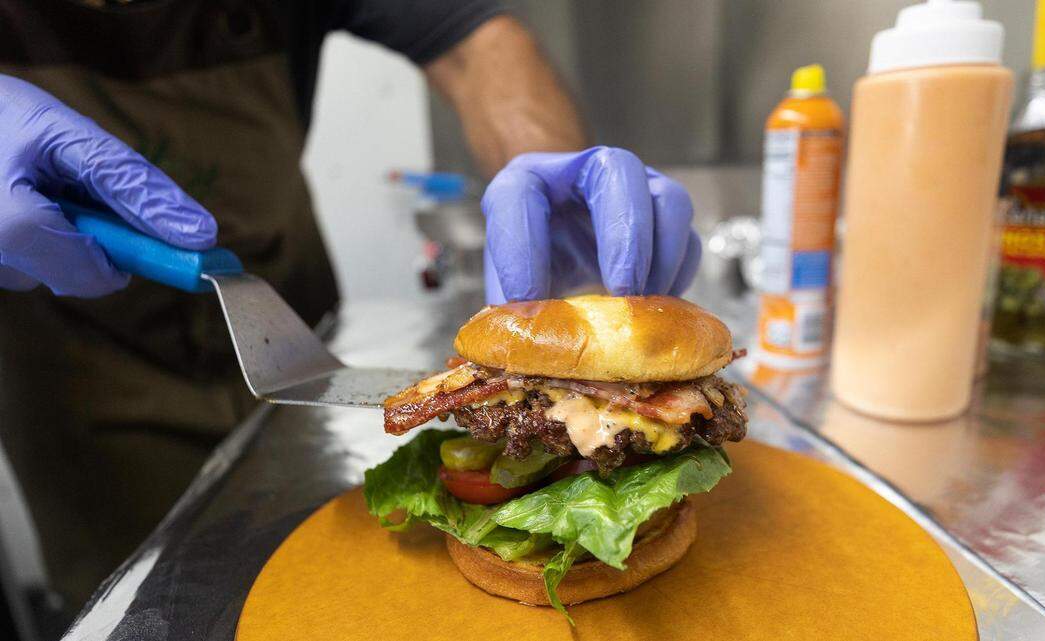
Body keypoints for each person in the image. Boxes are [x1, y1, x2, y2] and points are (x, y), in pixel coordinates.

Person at [0, 0, 701, 613]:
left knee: (318, 578)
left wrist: (553, 191)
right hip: (76, 367)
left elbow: (470, 40)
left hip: (295, 336)